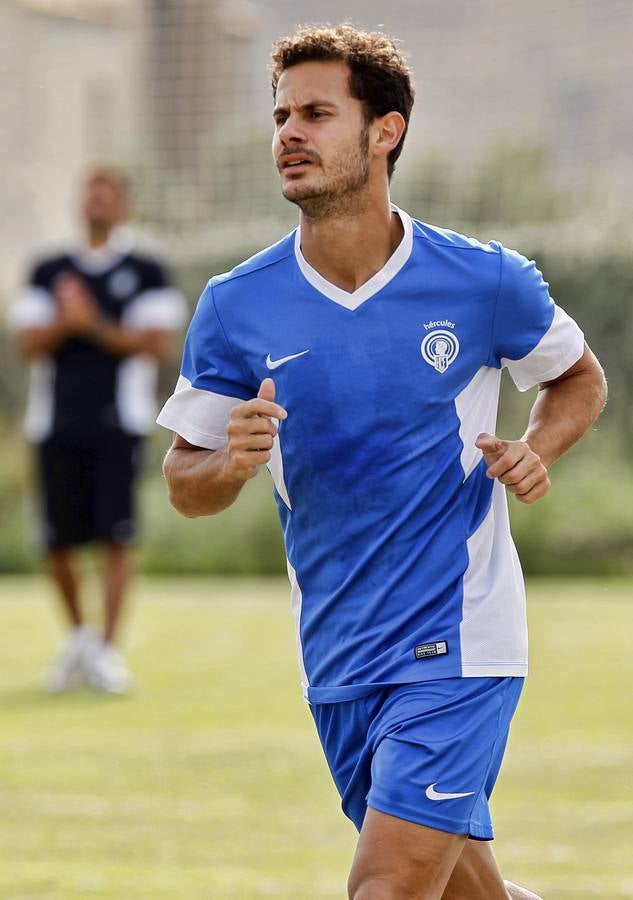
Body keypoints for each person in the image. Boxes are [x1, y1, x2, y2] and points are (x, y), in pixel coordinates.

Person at [157, 24, 607, 900]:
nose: (288, 132)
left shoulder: (483, 280)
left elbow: (577, 378)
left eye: (317, 113)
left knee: (388, 889)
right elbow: (185, 484)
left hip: (461, 643)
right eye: (281, 114)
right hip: (338, 654)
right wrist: (230, 464)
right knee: (466, 893)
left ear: (384, 131)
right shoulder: (235, 304)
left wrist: (534, 447)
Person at [9, 166, 186, 695]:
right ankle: (81, 641)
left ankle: (107, 651)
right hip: (53, 423)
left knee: (116, 538)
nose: (97, 204)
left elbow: (153, 344)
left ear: (124, 205)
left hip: (120, 424)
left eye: (108, 196)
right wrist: (69, 324)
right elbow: (29, 344)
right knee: (56, 542)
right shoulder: (48, 269)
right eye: (91, 194)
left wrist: (92, 326)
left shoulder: (147, 269)